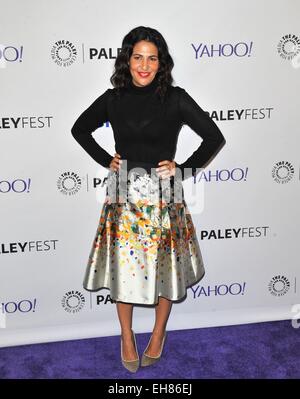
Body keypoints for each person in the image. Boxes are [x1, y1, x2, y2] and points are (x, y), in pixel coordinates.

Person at [71, 26, 226, 373]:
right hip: (123, 196)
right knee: (123, 272)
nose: (144, 65)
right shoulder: (112, 98)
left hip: (163, 196)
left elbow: (214, 136)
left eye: (151, 58)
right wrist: (104, 159)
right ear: (127, 60)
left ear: (161, 62)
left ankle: (158, 333)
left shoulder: (176, 98)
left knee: (166, 269)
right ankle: (126, 336)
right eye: (137, 57)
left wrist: (183, 169)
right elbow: (79, 128)